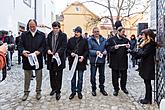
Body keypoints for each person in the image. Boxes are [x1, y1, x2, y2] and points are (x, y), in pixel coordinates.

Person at [19, 19, 46, 101]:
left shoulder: (41, 35)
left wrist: (39, 51)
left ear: (36, 25)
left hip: (38, 59)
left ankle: (38, 92)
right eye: (30, 26)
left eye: (33, 26)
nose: (32, 28)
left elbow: (44, 46)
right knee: (27, 77)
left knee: (39, 77)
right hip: (27, 59)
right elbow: (20, 45)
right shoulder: (24, 34)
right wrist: (23, 51)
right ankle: (26, 92)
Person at [132, 29, 156, 104]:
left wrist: (133, 52)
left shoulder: (150, 44)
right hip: (146, 64)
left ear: (147, 35)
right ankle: (147, 98)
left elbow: (143, 54)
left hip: (148, 65)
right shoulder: (146, 43)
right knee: (146, 82)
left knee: (147, 82)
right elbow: (141, 53)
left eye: (143, 35)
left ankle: (148, 99)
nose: (142, 36)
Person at [106, 26, 130, 96]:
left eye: (124, 32)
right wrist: (113, 47)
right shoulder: (111, 40)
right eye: (122, 32)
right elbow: (107, 48)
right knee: (115, 76)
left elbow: (128, 50)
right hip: (114, 61)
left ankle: (123, 87)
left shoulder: (126, 40)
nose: (123, 33)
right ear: (118, 32)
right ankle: (116, 89)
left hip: (123, 60)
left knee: (124, 76)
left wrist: (128, 48)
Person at [46, 21, 67, 100]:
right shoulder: (49, 35)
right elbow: (47, 45)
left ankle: (58, 91)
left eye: (57, 28)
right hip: (51, 58)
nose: (55, 30)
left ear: (59, 28)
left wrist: (58, 52)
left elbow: (64, 46)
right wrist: (48, 50)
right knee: (52, 75)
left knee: (59, 76)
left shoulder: (63, 36)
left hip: (59, 59)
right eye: (54, 28)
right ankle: (53, 88)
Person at [67, 26, 88, 99]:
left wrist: (83, 57)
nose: (76, 33)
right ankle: (73, 92)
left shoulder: (84, 40)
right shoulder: (70, 40)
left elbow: (86, 51)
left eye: (78, 32)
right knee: (73, 78)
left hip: (81, 62)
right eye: (75, 32)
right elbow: (67, 49)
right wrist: (71, 53)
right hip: (72, 62)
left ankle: (79, 91)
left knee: (80, 78)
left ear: (80, 33)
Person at [88, 27, 108, 96]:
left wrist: (106, 51)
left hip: (102, 60)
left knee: (102, 76)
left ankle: (102, 88)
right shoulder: (90, 40)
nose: (97, 33)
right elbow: (89, 50)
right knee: (93, 76)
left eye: (98, 31)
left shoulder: (103, 39)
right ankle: (93, 89)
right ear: (93, 32)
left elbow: (107, 47)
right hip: (94, 61)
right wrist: (95, 52)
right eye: (95, 32)